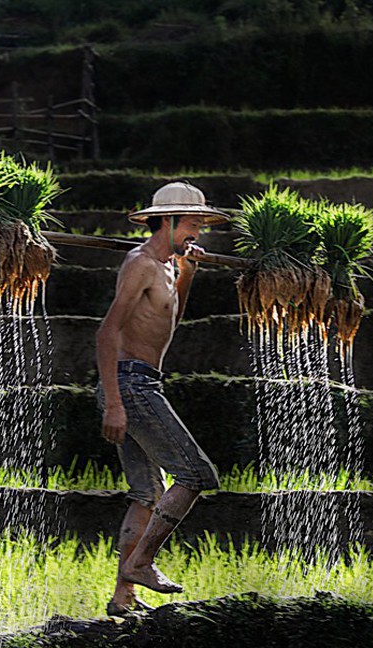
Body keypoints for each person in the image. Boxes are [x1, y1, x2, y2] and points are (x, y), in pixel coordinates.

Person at [96, 181, 229, 616]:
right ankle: (143, 563)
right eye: (192, 224)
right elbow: (108, 331)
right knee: (196, 474)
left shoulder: (169, 266)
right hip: (130, 384)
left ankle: (123, 596)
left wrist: (189, 271)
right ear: (167, 222)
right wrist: (114, 402)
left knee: (146, 493)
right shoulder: (139, 264)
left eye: (200, 225)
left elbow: (170, 317)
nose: (198, 232)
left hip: (143, 380)